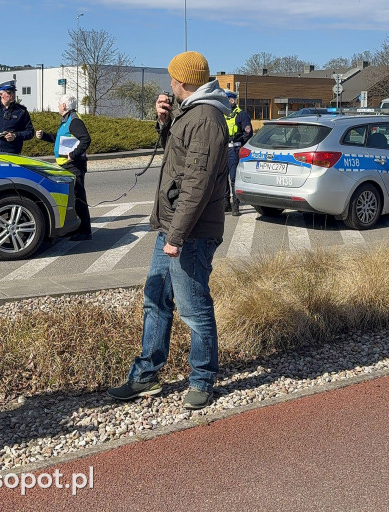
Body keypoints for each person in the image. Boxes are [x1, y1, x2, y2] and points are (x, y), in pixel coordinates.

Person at [107, 51, 230, 410]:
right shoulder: (189, 114)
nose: (170, 85)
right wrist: (165, 123)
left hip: (189, 233)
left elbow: (197, 184)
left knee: (193, 308)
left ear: (186, 81)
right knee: (156, 299)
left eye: (173, 79)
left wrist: (176, 237)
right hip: (173, 228)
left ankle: (203, 380)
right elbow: (177, 162)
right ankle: (146, 376)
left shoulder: (205, 119)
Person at [35, 94, 92, 241]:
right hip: (67, 165)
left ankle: (85, 231)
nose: (58, 106)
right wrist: (45, 136)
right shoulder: (67, 120)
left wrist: (73, 154)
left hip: (74, 165)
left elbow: (86, 139)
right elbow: (60, 139)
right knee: (72, 198)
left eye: (59, 104)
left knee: (79, 197)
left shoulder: (74, 121)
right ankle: (76, 228)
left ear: (65, 106)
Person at [224, 90, 253, 216]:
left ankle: (236, 206)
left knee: (234, 178)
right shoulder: (222, 114)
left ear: (232, 100)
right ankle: (226, 204)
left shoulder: (242, 115)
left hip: (234, 150)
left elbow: (248, 133)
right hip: (223, 149)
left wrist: (241, 146)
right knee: (222, 178)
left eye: (226, 100)